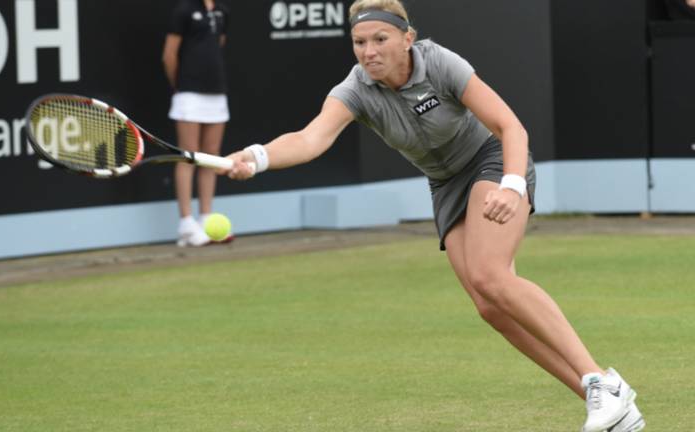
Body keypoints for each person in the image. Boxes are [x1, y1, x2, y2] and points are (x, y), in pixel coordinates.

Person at [224, 1, 645, 431]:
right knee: (489, 307)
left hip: (492, 159)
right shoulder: (355, 89)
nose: (369, 51)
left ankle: (602, 381)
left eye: (380, 39)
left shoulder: (440, 62)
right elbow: (310, 138)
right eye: (359, 42)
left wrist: (512, 184)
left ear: (407, 38)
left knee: (490, 276)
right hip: (444, 184)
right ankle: (610, 407)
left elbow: (510, 126)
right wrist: (257, 158)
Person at [162, 0, 231, 247]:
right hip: (188, 92)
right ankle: (186, 224)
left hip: (217, 91)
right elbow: (169, 55)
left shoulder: (223, 12)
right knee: (188, 156)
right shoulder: (183, 10)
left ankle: (206, 219)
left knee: (210, 156)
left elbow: (217, 45)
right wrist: (180, 86)